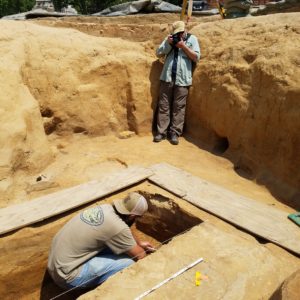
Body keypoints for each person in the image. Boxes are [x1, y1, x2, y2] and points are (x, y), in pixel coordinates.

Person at [47, 192, 154, 289]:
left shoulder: (105, 208)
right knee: (129, 262)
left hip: (55, 265)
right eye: (137, 218)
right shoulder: (117, 227)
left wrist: (138, 243)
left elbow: (123, 229)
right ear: (132, 216)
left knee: (116, 245)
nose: (136, 221)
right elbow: (140, 256)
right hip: (67, 277)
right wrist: (142, 251)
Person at [153, 20, 200, 145]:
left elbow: (196, 57)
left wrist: (183, 46)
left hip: (183, 79)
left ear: (185, 29)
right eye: (176, 33)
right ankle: (161, 132)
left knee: (179, 107)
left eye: (180, 32)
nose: (178, 35)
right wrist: (168, 44)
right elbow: (158, 53)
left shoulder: (192, 39)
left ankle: (174, 133)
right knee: (164, 106)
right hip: (167, 77)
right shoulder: (169, 39)